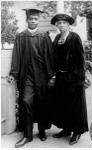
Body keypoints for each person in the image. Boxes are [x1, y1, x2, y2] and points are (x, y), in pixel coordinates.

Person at [7, 8, 55, 148]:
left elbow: (50, 57)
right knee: (26, 101)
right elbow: (16, 57)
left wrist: (52, 75)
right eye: (31, 19)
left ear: (38, 20)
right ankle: (27, 135)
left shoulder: (44, 36)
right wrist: (13, 74)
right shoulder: (21, 36)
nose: (33, 21)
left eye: (36, 19)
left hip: (42, 75)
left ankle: (41, 130)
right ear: (27, 20)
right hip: (27, 76)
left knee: (42, 103)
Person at [50, 13, 89, 145]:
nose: (61, 25)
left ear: (68, 25)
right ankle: (66, 129)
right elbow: (54, 58)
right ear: (57, 25)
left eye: (64, 23)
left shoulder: (74, 37)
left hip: (73, 76)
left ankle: (76, 132)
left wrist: (81, 78)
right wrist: (54, 75)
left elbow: (80, 59)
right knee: (63, 104)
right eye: (59, 23)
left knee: (75, 105)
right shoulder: (56, 38)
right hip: (61, 77)